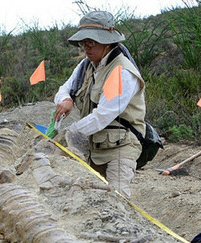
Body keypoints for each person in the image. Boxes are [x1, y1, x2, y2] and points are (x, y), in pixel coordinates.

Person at [53, 10, 147, 197]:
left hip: (121, 149)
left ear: (107, 41)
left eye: (91, 42)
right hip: (93, 148)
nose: (86, 48)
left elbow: (102, 116)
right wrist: (66, 99)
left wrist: (68, 134)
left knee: (117, 199)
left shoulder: (122, 72)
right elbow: (64, 88)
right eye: (83, 43)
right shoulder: (86, 65)